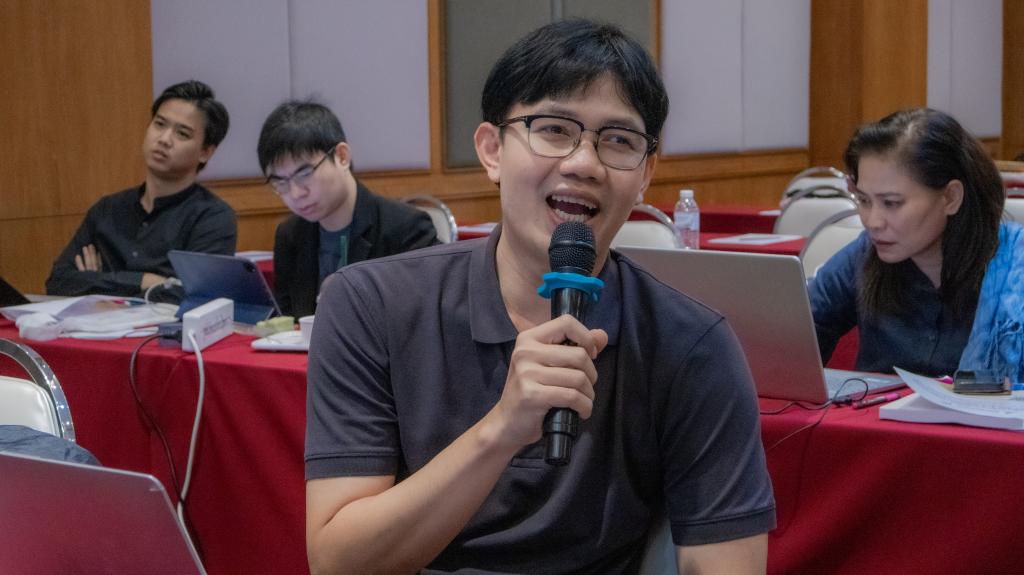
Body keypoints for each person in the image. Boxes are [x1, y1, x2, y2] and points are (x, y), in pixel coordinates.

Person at [304, 20, 775, 574]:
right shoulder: (370, 304)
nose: (584, 164)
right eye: (553, 129)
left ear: (646, 174)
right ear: (492, 151)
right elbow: (337, 564)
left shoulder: (692, 344)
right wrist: (501, 430)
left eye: (619, 140)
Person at [810, 107, 1023, 380]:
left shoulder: (1012, 270)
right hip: (877, 409)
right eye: (864, 200)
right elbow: (799, 334)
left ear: (950, 198)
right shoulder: (864, 255)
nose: (873, 221)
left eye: (891, 203)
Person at [45, 80, 235, 302]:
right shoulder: (107, 210)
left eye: (182, 134)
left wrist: (99, 282)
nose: (164, 139)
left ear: (205, 152)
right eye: (159, 124)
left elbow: (194, 297)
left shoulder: (211, 218)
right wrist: (144, 281)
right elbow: (59, 282)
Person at [257, 101, 439, 318]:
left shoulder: (405, 228)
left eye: (305, 174)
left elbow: (424, 317)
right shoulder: (290, 235)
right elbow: (287, 321)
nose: (295, 194)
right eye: (280, 182)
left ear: (342, 157)